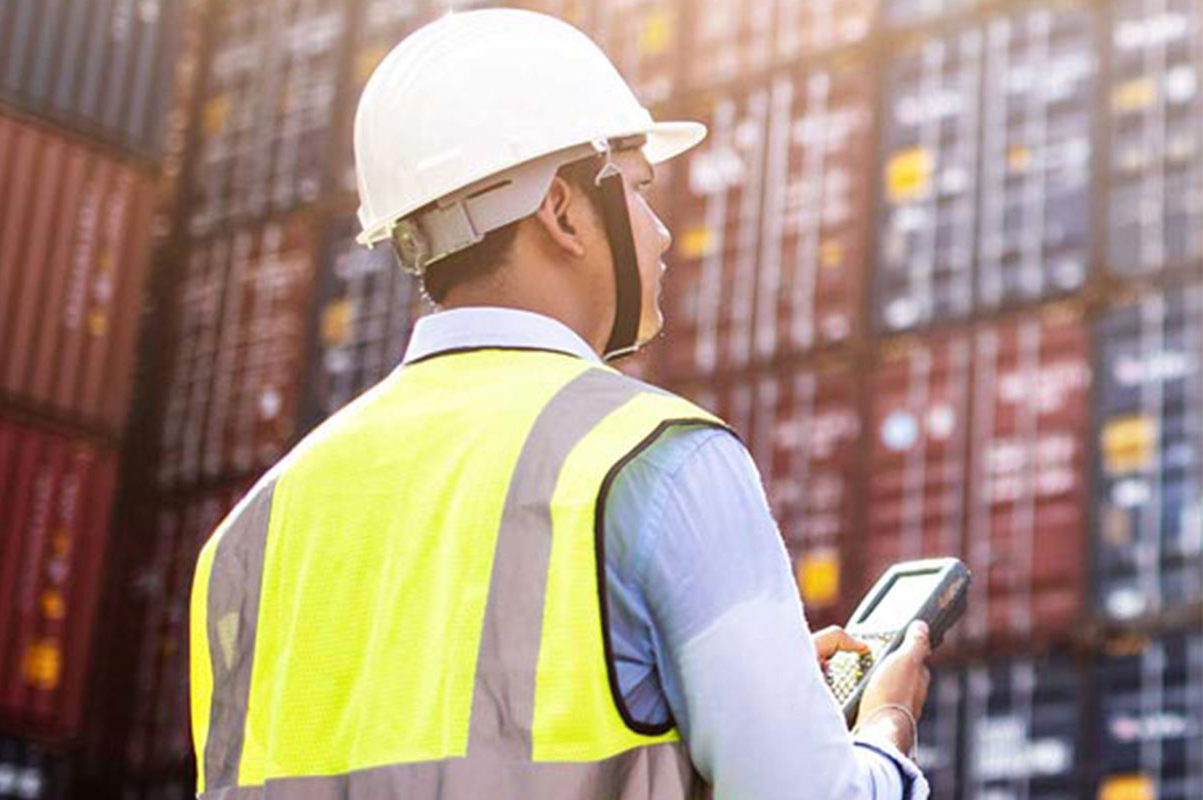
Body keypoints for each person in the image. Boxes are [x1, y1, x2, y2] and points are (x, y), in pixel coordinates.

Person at [189, 9, 932, 799]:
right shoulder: (658, 460)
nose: (660, 234)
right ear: (564, 211)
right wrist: (883, 738)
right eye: (641, 191)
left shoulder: (249, 535)